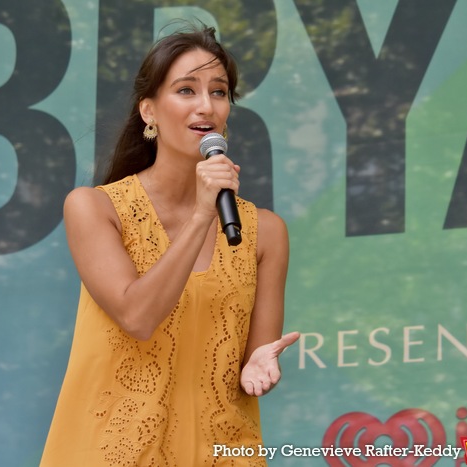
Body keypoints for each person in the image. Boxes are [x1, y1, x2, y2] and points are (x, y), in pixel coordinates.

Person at [40, 23, 299, 466]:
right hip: (113, 452)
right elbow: (137, 316)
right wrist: (202, 215)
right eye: (185, 90)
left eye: (219, 93)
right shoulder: (94, 208)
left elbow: (254, 360)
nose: (206, 106)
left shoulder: (265, 232)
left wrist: (259, 369)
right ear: (149, 111)